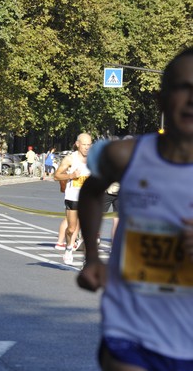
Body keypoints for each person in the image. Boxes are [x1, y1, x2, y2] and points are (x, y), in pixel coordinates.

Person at [76, 48, 193, 371]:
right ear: (160, 99)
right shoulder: (124, 156)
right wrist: (92, 258)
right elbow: (90, 192)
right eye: (184, 88)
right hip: (130, 328)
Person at [54, 133, 92, 265]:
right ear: (78, 144)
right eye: (84, 145)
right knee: (71, 228)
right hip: (72, 197)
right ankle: (69, 248)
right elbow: (57, 176)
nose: (87, 147)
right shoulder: (70, 159)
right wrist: (71, 175)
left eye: (89, 145)